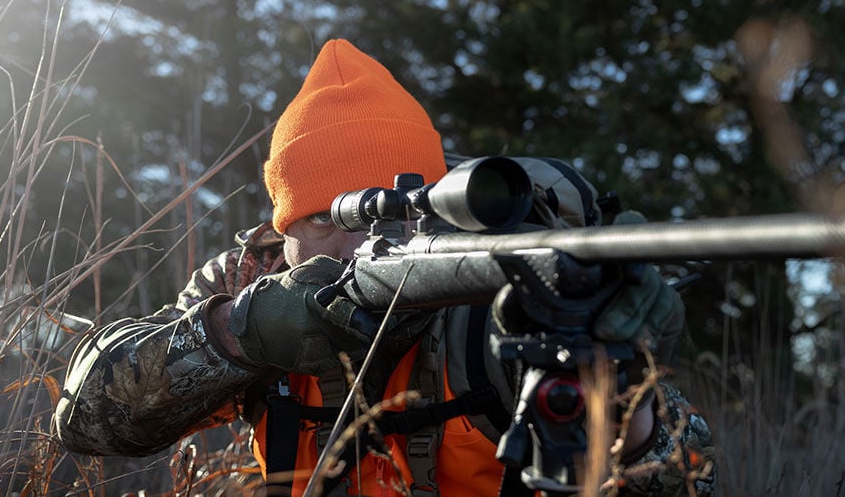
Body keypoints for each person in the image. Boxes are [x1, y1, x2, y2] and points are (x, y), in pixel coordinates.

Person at [53, 38, 714, 496]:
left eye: (385, 217)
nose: (357, 245)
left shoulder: (490, 293)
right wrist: (240, 333)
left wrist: (626, 404)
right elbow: (86, 419)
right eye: (323, 217)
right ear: (281, 233)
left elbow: (690, 478)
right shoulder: (249, 283)